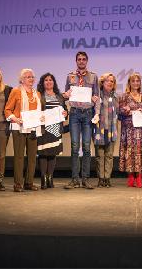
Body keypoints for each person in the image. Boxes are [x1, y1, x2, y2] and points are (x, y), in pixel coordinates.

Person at [63, 51, 99, 190]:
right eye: (79, 59)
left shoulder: (93, 76)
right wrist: (65, 95)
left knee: (86, 147)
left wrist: (96, 113)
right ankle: (74, 179)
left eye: (84, 59)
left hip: (88, 114)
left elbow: (97, 96)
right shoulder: (70, 76)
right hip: (75, 114)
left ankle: (85, 179)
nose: (81, 61)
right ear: (76, 61)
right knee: (74, 146)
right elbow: (66, 95)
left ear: (87, 61)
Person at [5, 68, 42, 192]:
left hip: (33, 128)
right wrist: (15, 119)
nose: (31, 79)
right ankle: (18, 184)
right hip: (19, 128)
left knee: (32, 157)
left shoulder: (37, 93)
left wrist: (42, 117)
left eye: (32, 77)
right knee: (19, 156)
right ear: (21, 79)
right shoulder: (16, 91)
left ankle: (29, 182)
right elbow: (7, 110)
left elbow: (39, 111)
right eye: (27, 77)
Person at [118, 73, 142, 188]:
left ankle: (139, 178)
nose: (136, 83)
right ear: (129, 83)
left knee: (141, 152)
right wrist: (127, 110)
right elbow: (120, 112)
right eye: (133, 81)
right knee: (130, 153)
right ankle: (131, 177)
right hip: (129, 129)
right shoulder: (124, 96)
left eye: (138, 81)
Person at [37, 73, 68, 190]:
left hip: (55, 129)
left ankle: (50, 178)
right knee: (43, 154)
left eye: (50, 80)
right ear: (42, 82)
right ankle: (43, 179)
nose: (48, 82)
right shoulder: (39, 95)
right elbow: (36, 110)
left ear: (54, 82)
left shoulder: (59, 96)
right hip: (43, 128)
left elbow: (64, 110)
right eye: (46, 80)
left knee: (52, 154)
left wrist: (66, 113)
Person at [92, 72, 119, 188]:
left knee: (109, 155)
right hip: (99, 130)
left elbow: (118, 112)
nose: (110, 83)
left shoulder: (116, 96)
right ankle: (100, 178)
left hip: (111, 130)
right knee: (99, 155)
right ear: (102, 82)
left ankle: (107, 178)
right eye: (108, 80)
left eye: (112, 81)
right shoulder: (97, 96)